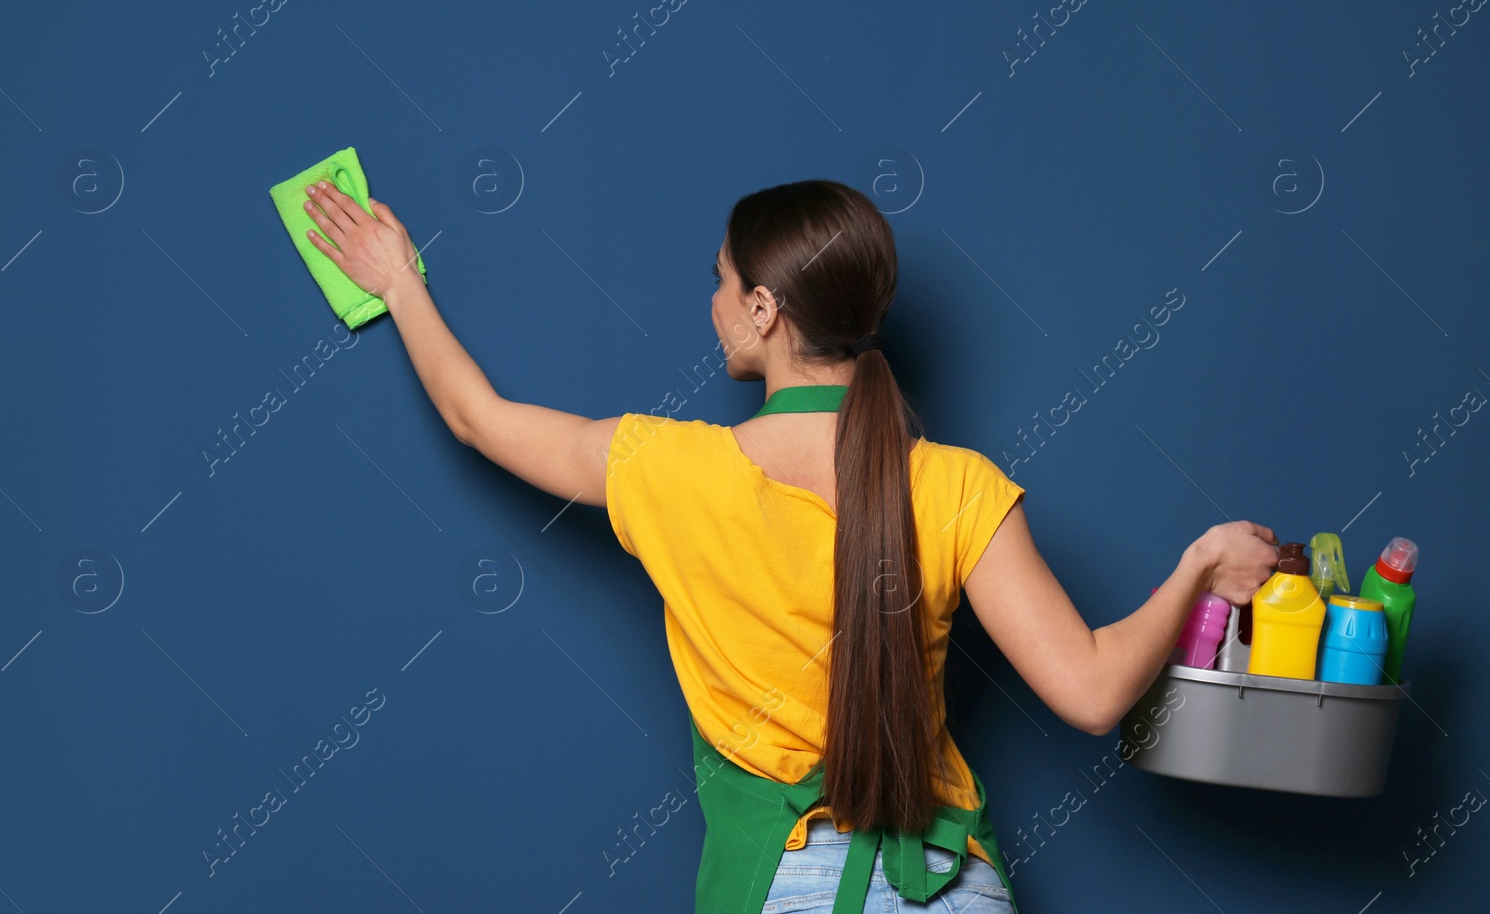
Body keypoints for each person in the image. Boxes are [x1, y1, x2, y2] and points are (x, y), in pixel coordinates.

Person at [299, 176, 1281, 913]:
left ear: (764, 309)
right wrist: (1197, 565)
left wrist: (398, 282)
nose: (714, 302)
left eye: (722, 282)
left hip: (783, 886)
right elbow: (1095, 690)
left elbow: (478, 417)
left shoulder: (667, 465)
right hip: (950, 884)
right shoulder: (955, 482)